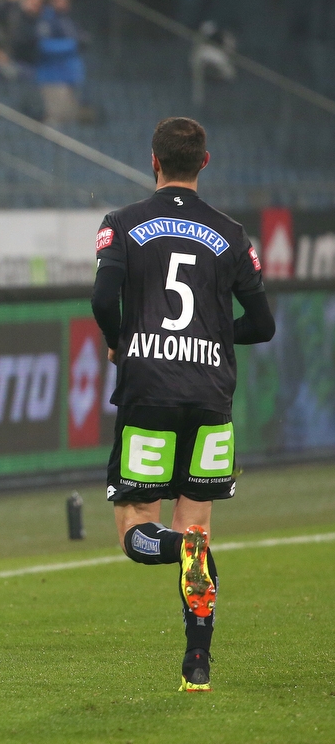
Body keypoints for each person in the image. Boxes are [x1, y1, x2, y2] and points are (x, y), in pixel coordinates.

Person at [91, 117, 275, 693]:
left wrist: (121, 343)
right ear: (205, 162)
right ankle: (198, 660)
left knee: (136, 534)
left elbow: (102, 298)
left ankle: (180, 547)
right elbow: (263, 325)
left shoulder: (122, 224)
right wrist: (217, 337)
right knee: (198, 525)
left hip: (149, 393)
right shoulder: (232, 233)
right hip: (210, 398)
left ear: (153, 161)